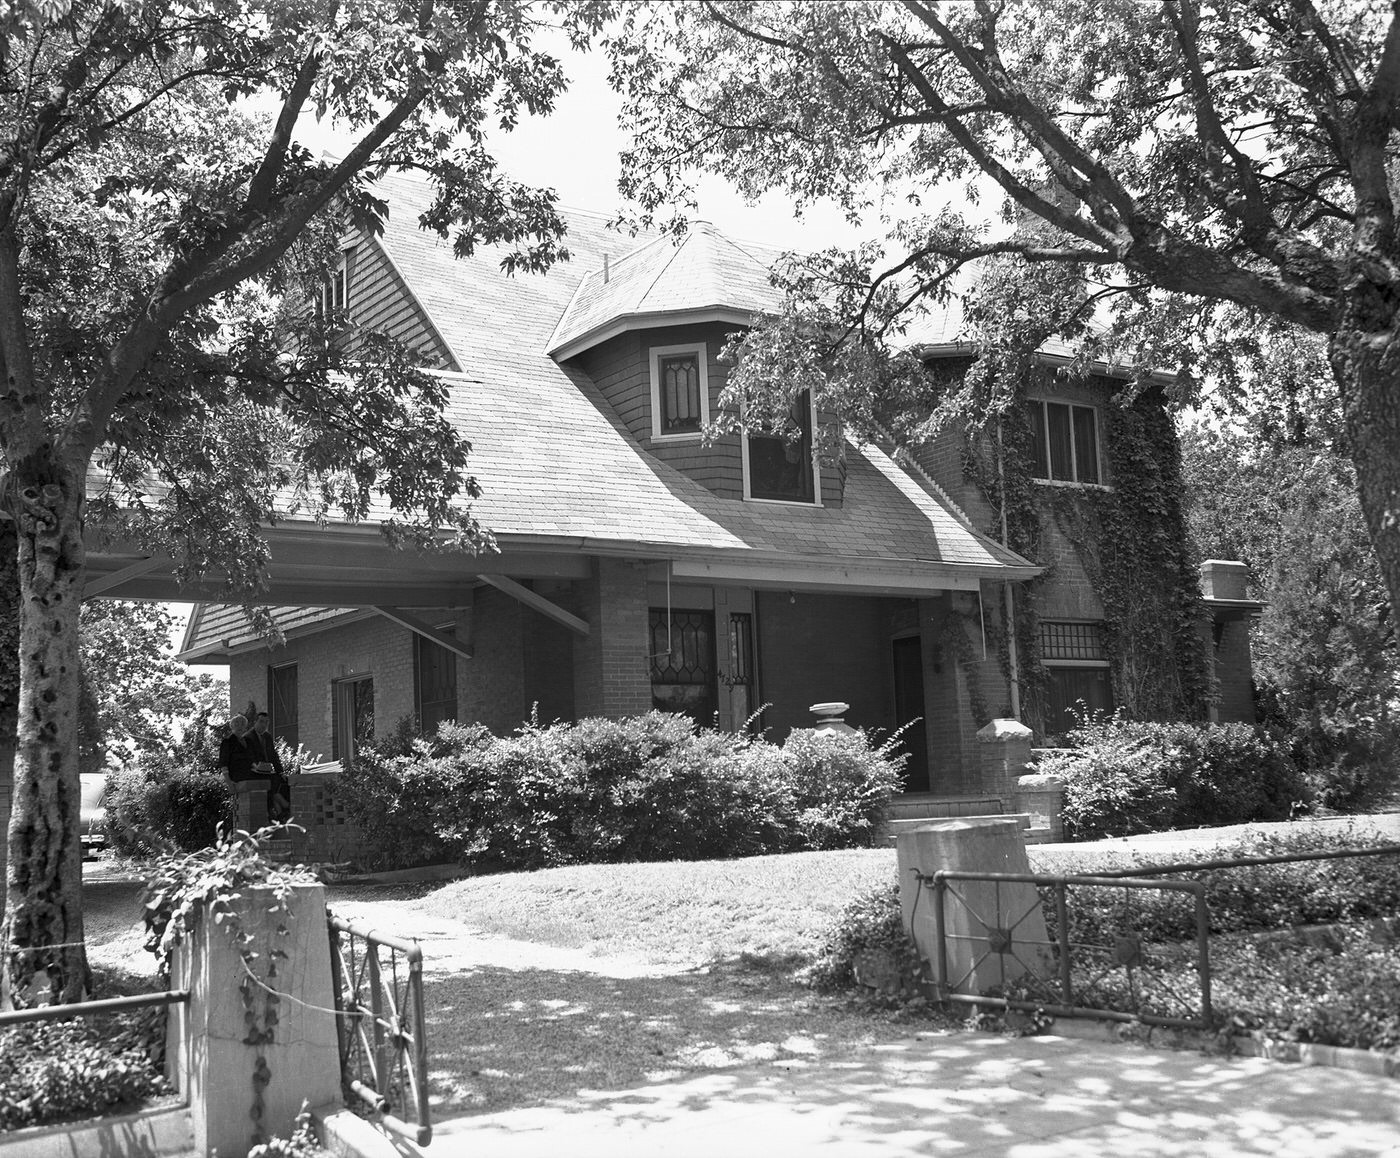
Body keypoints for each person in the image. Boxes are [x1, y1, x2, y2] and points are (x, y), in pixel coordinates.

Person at [218, 713, 291, 825]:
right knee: (267, 780)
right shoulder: (228, 741)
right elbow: (223, 763)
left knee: (270, 778)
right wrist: (229, 782)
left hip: (249, 771)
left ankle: (277, 811)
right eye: (237, 725)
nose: (240, 728)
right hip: (237, 774)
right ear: (232, 727)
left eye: (242, 725)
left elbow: (250, 759)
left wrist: (257, 767)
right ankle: (281, 807)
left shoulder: (246, 741)